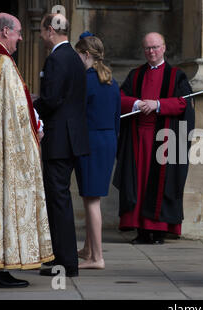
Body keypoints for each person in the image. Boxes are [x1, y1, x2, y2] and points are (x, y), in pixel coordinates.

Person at [0, 13, 54, 288]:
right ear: (4, 31)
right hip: (3, 152)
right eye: (18, 33)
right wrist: (35, 129)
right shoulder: (2, 62)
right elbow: (15, 112)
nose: (21, 39)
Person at [113, 32, 195, 245]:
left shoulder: (177, 76)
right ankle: (141, 230)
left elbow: (184, 103)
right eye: (148, 48)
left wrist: (157, 105)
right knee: (138, 183)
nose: (151, 52)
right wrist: (137, 103)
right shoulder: (136, 74)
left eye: (155, 47)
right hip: (138, 139)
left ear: (164, 48)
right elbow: (120, 99)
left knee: (160, 183)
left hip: (164, 139)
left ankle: (158, 231)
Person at [34, 13, 89, 278]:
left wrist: (30, 105)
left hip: (59, 140)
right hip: (71, 138)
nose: (41, 35)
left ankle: (65, 263)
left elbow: (52, 100)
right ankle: (63, 259)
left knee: (58, 201)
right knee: (61, 199)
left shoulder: (57, 58)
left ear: (50, 31)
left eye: (42, 31)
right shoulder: (75, 58)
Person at [74, 32, 121, 269]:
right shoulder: (111, 81)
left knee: (91, 200)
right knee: (91, 197)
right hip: (108, 140)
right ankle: (88, 249)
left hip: (91, 141)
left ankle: (97, 258)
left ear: (85, 55)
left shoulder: (87, 80)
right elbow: (117, 119)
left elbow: (77, 115)